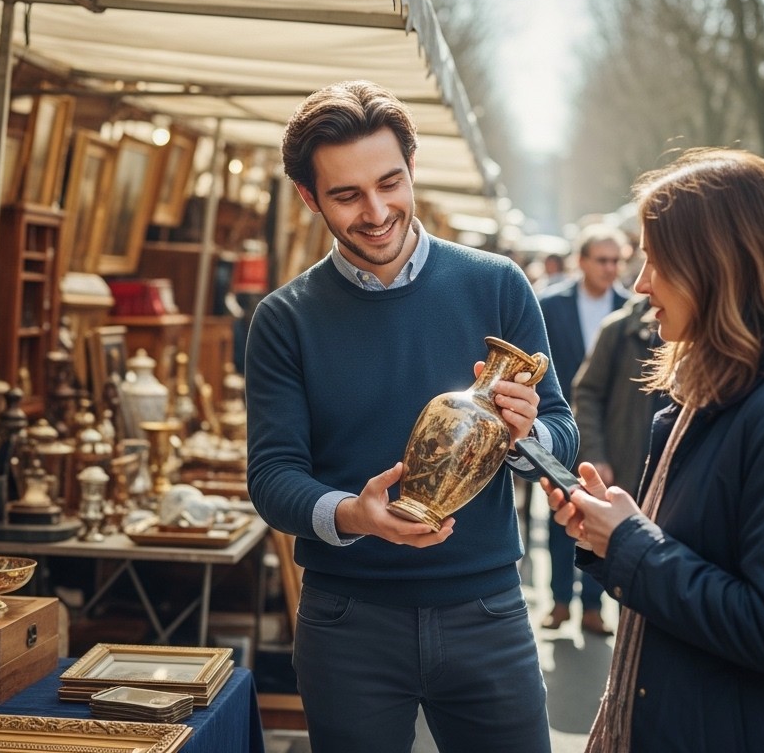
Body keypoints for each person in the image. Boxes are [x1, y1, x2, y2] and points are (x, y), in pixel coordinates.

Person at [245, 80, 577, 753]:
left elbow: (562, 442)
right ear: (309, 199)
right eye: (346, 195)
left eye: (390, 183)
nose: (376, 211)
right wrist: (352, 515)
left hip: (487, 609)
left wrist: (523, 435)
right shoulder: (283, 319)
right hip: (347, 621)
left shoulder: (498, 284)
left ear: (412, 169)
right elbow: (273, 478)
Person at [548, 148, 764, 751]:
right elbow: (701, 559)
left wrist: (629, 541)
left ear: (719, 265)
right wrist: (611, 533)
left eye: (657, 259)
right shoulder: (718, 396)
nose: (642, 282)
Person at [538, 224, 630, 634]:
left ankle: (593, 606)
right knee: (561, 515)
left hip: (612, 433)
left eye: (616, 260)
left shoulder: (632, 309)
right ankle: (559, 601)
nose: (610, 268)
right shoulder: (550, 305)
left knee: (601, 515)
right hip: (560, 427)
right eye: (602, 260)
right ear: (582, 261)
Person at [570, 293, 665, 496]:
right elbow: (587, 393)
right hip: (619, 475)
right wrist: (594, 455)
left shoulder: (699, 339)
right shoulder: (619, 329)